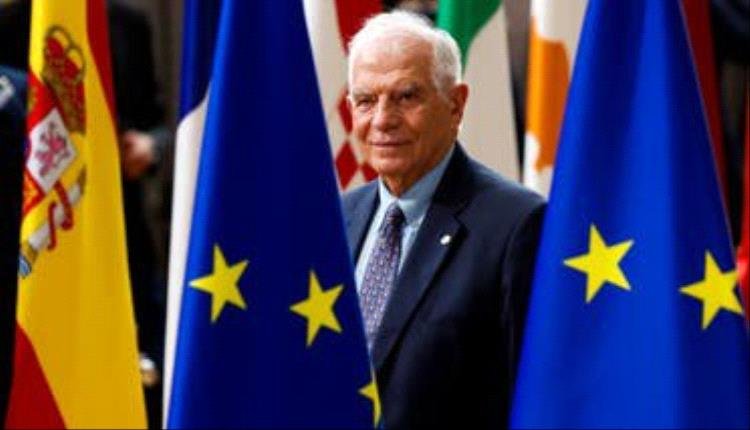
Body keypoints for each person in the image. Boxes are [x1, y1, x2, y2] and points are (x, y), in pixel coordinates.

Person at [342, 12, 545, 429]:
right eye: (366, 101)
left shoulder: (517, 225)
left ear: (455, 104)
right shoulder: (338, 217)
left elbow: (533, 398)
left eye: (406, 97)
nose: (382, 119)